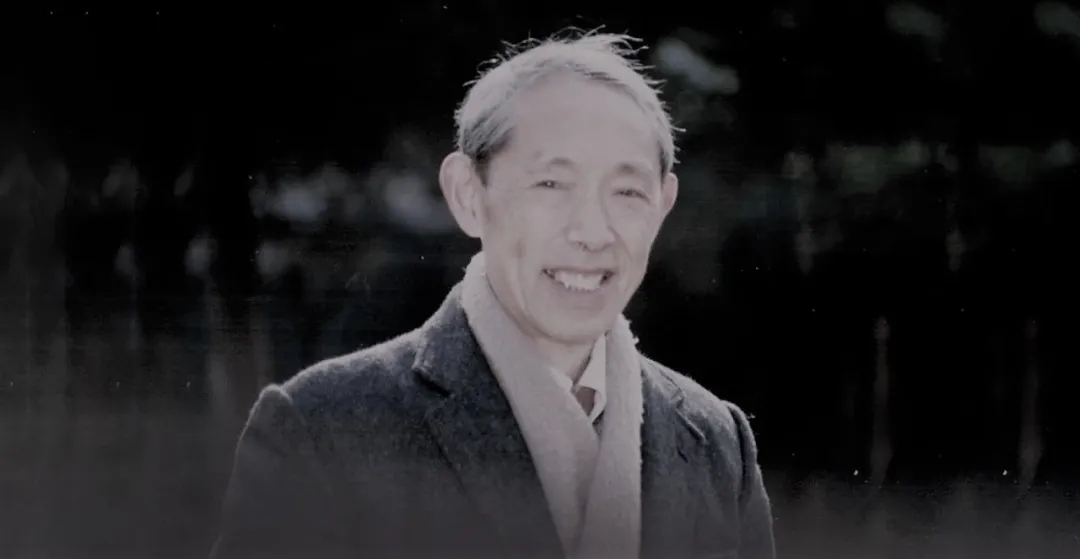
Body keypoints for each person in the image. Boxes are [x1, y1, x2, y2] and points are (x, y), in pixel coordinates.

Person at [210, 30, 775, 559]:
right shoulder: (323, 430)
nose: (592, 232)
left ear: (663, 205)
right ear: (467, 194)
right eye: (552, 184)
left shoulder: (716, 442)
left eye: (627, 191)